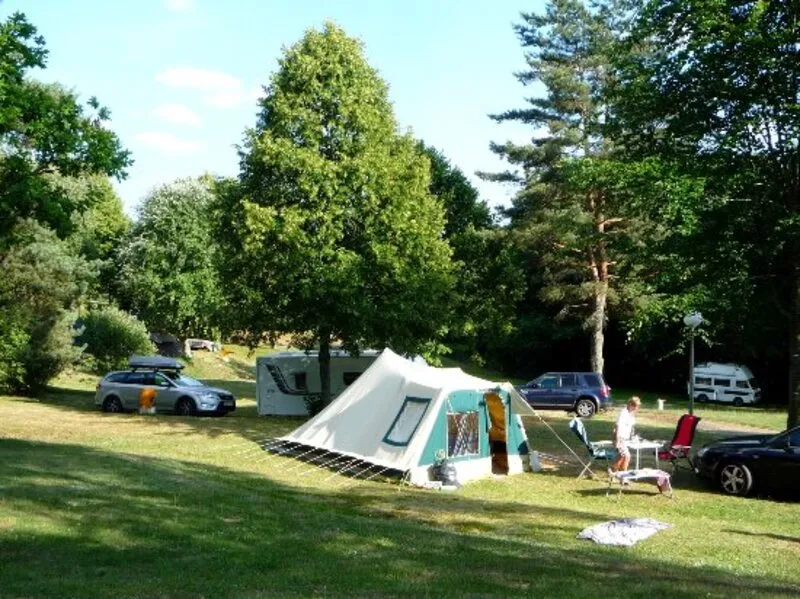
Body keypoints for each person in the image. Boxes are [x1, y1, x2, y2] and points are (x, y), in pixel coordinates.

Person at [611, 396, 641, 475]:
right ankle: (623, 476)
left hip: (625, 439)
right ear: (630, 404)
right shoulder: (623, 413)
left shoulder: (630, 413)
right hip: (620, 438)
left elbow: (631, 426)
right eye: (634, 406)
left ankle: (615, 473)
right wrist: (617, 441)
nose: (636, 408)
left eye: (637, 407)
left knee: (622, 457)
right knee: (626, 456)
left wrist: (632, 437)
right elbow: (618, 427)